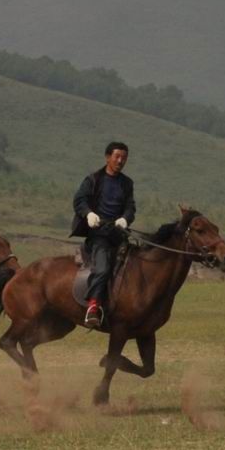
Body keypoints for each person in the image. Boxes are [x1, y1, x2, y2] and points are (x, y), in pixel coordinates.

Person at [70, 141, 136, 328]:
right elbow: (79, 200)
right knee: (103, 269)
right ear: (108, 157)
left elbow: (130, 207)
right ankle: (93, 307)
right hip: (98, 235)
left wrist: (125, 218)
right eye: (117, 157)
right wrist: (88, 213)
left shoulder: (127, 183)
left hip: (119, 234)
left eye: (124, 157)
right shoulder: (93, 179)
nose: (120, 161)